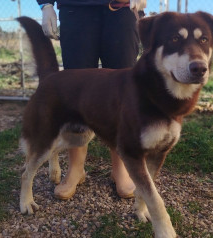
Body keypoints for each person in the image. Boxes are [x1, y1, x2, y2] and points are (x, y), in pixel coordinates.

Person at [36, 0, 147, 199]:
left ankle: (119, 168)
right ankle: (76, 168)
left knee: (121, 91)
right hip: (75, 8)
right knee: (76, 90)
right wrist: (46, 5)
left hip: (121, 9)